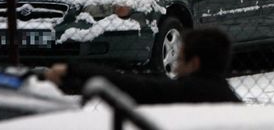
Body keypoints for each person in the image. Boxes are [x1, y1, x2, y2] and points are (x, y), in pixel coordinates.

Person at [45, 28, 241, 104]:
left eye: (180, 59)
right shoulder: (230, 100)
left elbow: (131, 86)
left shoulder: (188, 92)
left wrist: (73, 69)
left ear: (194, 63)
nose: (175, 66)